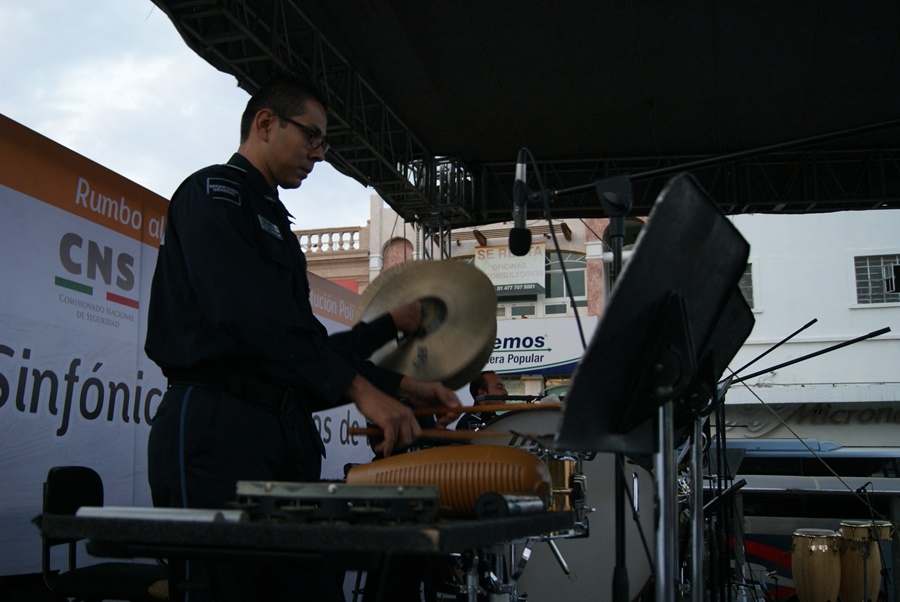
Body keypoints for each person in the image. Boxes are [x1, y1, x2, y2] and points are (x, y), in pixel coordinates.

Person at [145, 73, 460, 602]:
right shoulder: (213, 193)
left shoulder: (277, 222)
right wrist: (362, 391)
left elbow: (302, 349)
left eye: (324, 142)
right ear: (266, 123)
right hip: (217, 433)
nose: (318, 154)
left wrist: (401, 386)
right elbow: (250, 319)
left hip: (279, 436)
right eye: (312, 136)